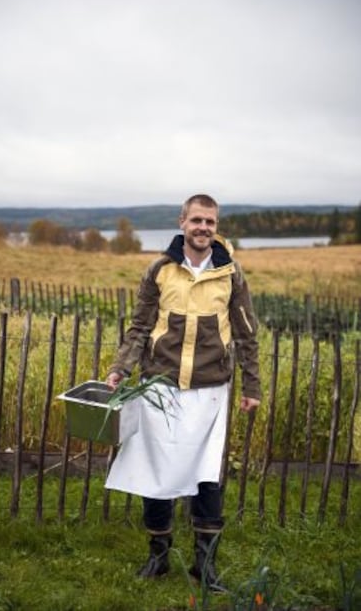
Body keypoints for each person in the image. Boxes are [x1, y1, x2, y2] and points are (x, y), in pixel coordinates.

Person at [105, 194, 260, 592]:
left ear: (216, 225)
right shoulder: (160, 269)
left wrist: (252, 385)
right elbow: (140, 327)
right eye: (196, 220)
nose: (203, 228)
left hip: (211, 391)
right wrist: (121, 367)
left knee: (208, 478)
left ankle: (204, 566)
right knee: (157, 473)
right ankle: (158, 557)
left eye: (210, 221)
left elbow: (246, 334)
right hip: (161, 387)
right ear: (182, 222)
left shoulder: (230, 273)